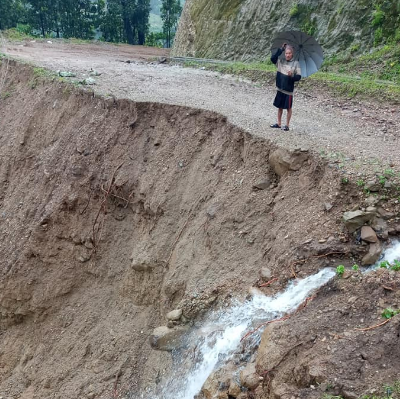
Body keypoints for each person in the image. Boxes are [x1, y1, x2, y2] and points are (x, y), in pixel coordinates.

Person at [270, 43, 301, 131]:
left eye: (289, 53)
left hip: (288, 90)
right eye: (286, 53)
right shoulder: (281, 61)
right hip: (280, 88)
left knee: (288, 108)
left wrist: (291, 76)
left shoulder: (296, 64)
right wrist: (281, 49)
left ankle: (287, 125)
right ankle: (279, 123)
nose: (287, 55)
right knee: (279, 107)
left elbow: (298, 77)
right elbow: (272, 59)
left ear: (292, 54)